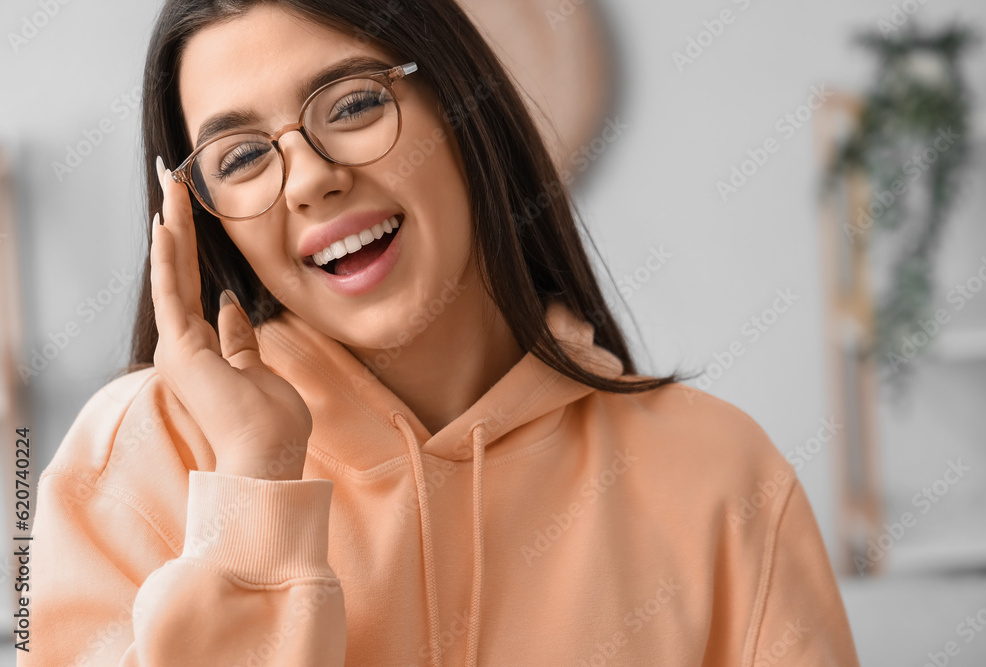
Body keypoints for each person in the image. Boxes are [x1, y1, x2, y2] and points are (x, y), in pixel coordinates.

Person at [23, 1, 862, 665]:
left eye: (351, 104)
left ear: (461, 105)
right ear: (203, 221)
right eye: (240, 158)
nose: (311, 178)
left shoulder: (719, 472)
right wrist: (254, 489)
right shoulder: (130, 462)